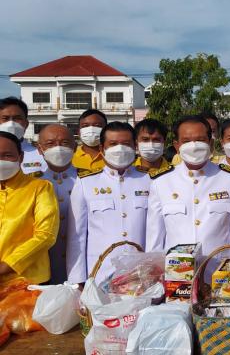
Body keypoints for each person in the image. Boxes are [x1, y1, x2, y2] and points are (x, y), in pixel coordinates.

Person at [146, 116, 230, 276]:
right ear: (177, 145)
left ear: (210, 143)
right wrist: (155, 275)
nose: (193, 146)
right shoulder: (161, 183)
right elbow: (155, 239)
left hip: (218, 276)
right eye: (186, 141)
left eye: (200, 139)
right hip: (176, 278)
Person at [67, 122, 151, 284]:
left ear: (135, 147)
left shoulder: (149, 180)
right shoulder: (86, 183)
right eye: (113, 144)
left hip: (141, 273)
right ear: (101, 149)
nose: (119, 149)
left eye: (126, 144)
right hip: (100, 273)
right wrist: (78, 281)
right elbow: (76, 238)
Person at [0, 131, 59, 284]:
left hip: (28, 282)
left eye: (7, 155)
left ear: (21, 157)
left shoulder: (39, 187)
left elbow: (45, 235)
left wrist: (8, 265)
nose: (1, 161)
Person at [35, 124, 77, 284]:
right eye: (50, 144)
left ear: (74, 147)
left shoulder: (88, 180)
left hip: (81, 264)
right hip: (45, 266)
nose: (58, 148)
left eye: (65, 143)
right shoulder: (33, 182)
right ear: (40, 149)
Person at [0, 97, 47, 174]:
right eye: (5, 118)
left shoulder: (41, 156)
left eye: (17, 118)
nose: (11, 124)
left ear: (26, 124)